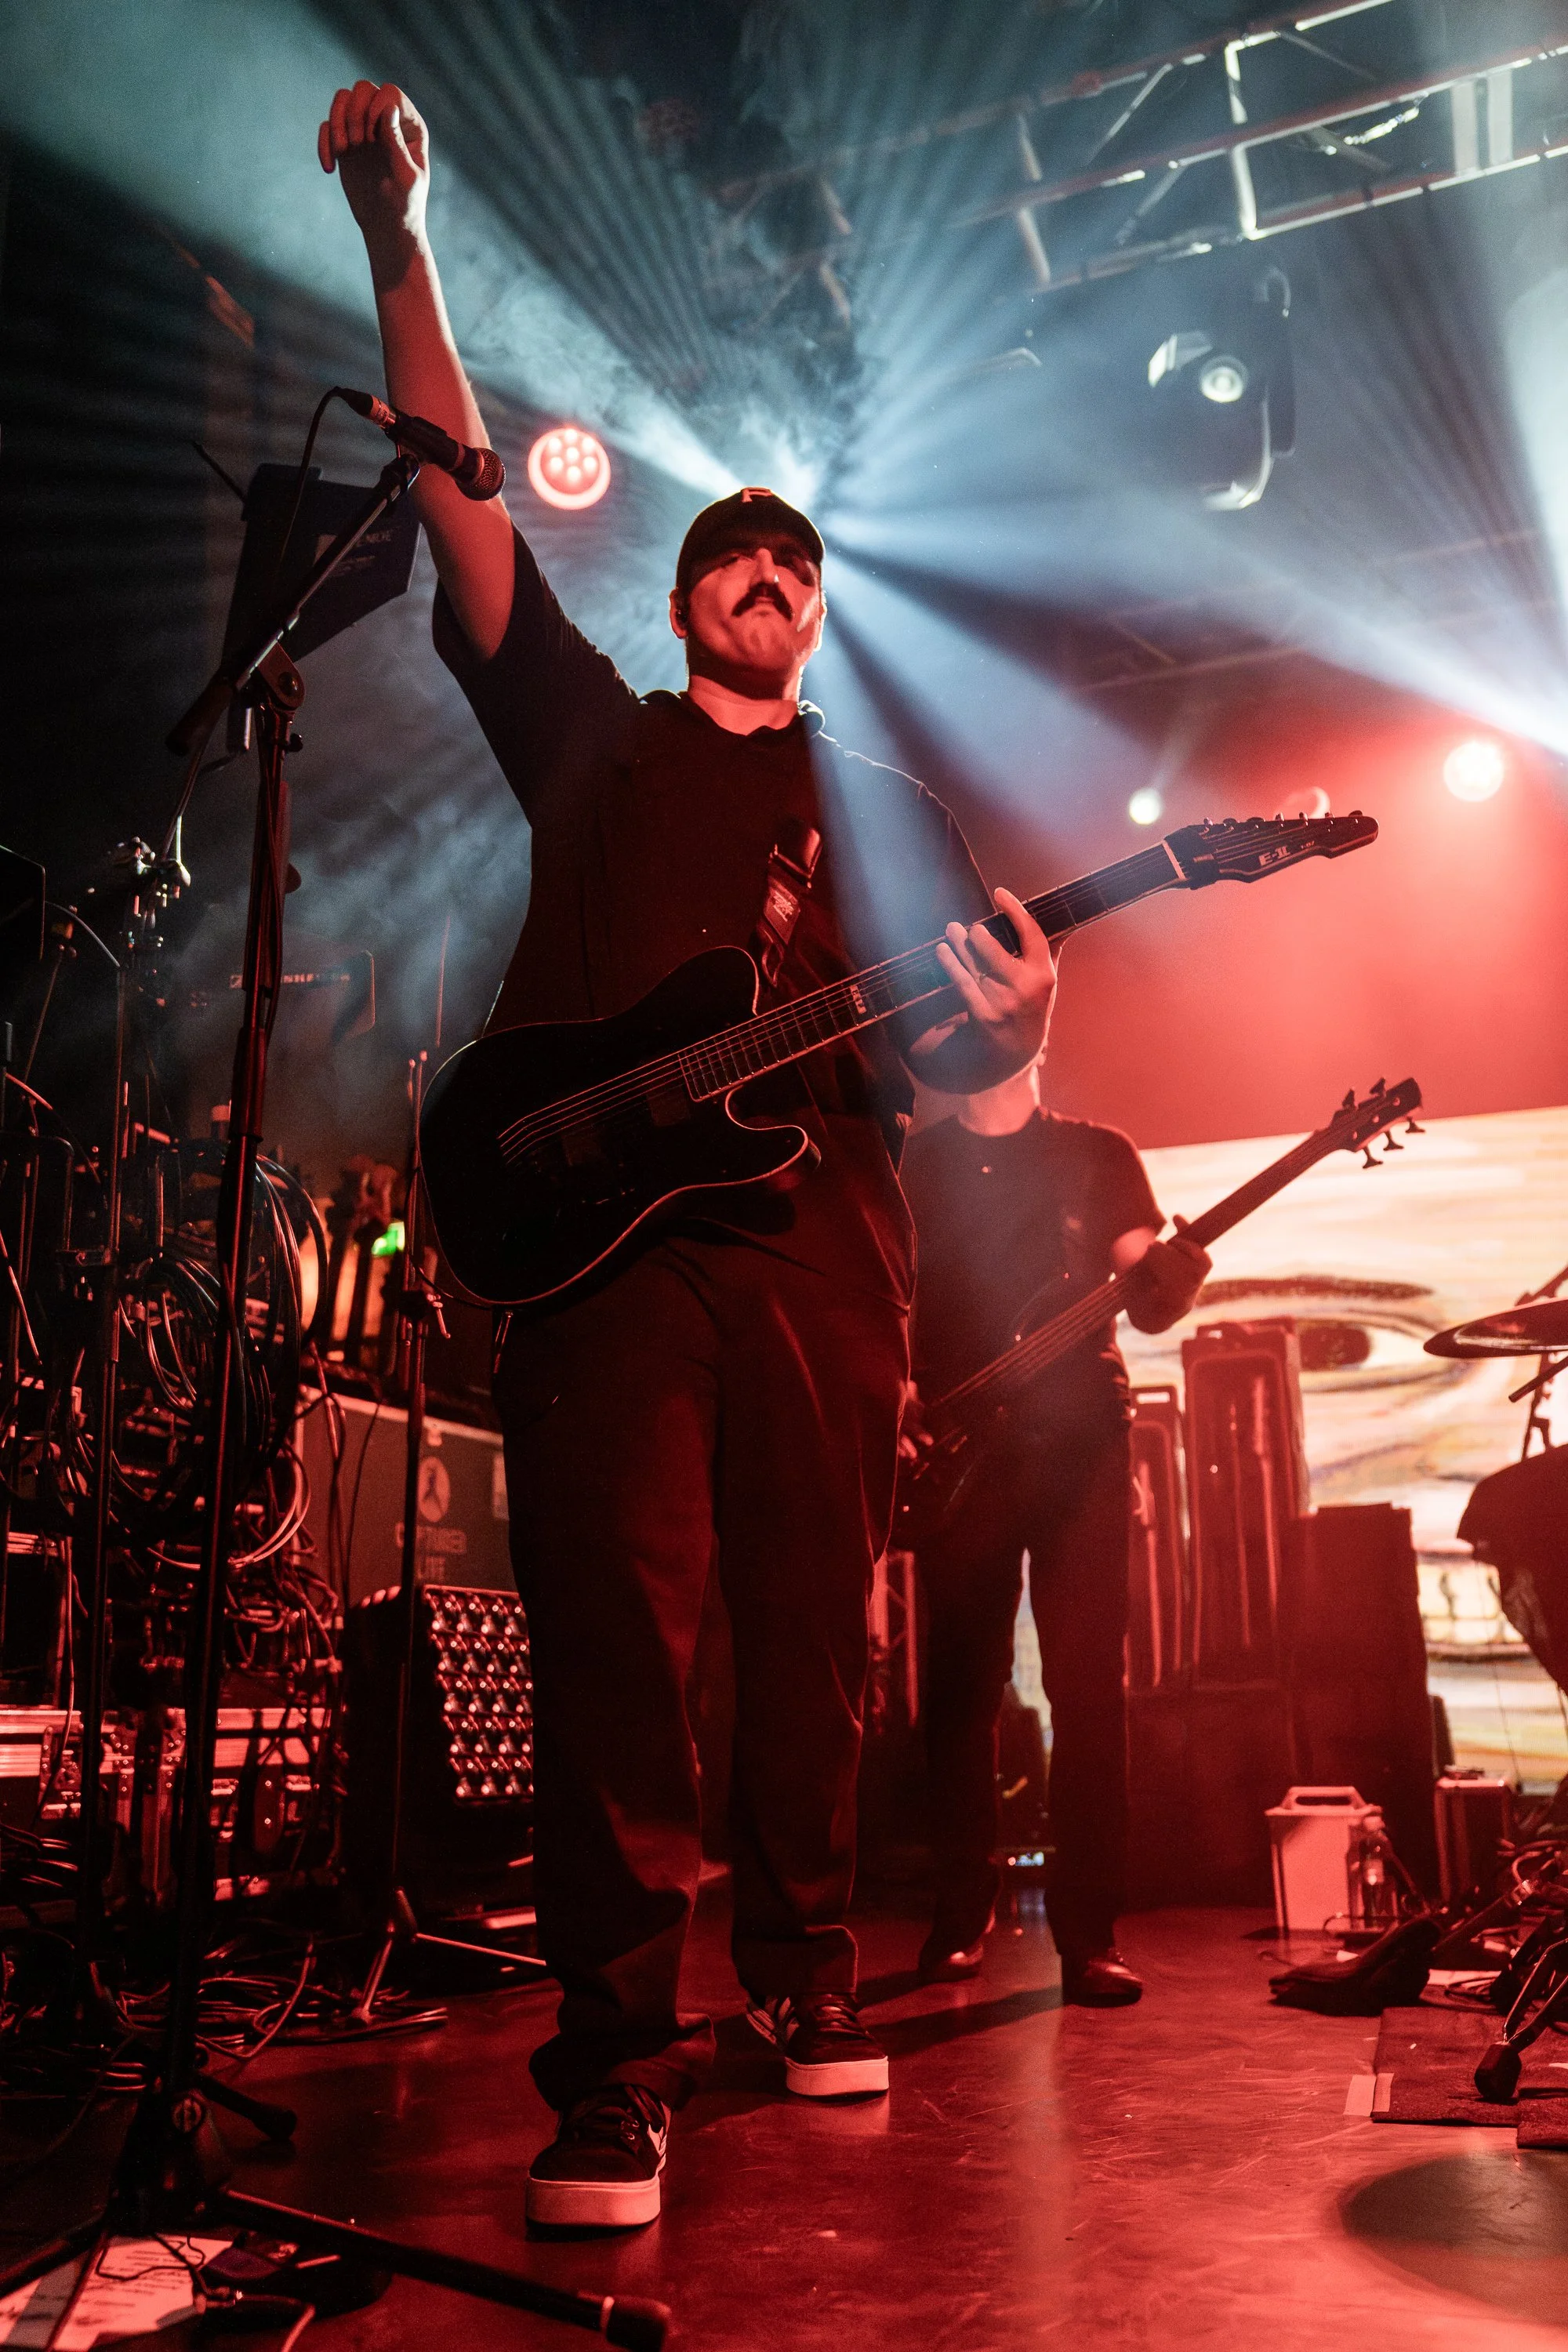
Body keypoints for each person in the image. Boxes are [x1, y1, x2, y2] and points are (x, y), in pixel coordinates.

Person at [319, 82, 1058, 2227]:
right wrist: (400, 233)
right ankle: (614, 2069)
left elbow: (973, 1076)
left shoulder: (890, 808)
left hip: (832, 1245)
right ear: (679, 602)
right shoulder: (594, 743)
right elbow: (465, 517)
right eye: (733, 553)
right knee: (621, 1640)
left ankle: (805, 1987)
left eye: (798, 565)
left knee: (811, 1630)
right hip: (613, 1252)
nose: (769, 573)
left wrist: (1026, 1029)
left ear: (818, 619)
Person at [900, 1046, 1209, 2005]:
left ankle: (1090, 1937)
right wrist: (898, 1403)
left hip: (1079, 1449)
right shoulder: (913, 1162)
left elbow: (1143, 1292)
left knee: (1087, 1690)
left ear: (1037, 1027)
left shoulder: (1098, 1155)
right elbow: (891, 1297)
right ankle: (960, 1914)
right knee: (959, 1692)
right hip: (960, 1454)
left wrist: (1176, 1276)